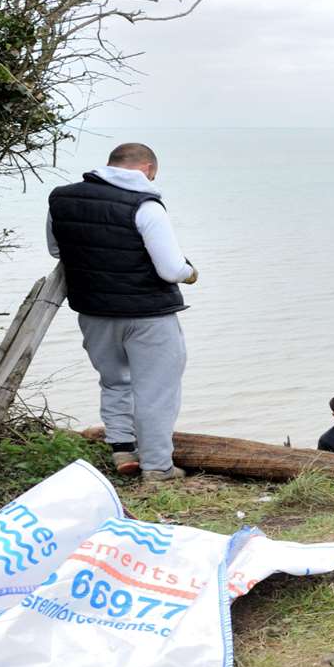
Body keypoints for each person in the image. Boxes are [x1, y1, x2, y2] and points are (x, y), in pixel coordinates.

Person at [47, 142, 196, 482]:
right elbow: (171, 269)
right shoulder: (146, 206)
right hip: (148, 315)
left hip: (94, 311)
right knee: (156, 391)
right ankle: (158, 467)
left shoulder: (62, 199)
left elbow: (57, 249)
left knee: (115, 382)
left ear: (110, 164)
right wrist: (191, 272)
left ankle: (123, 450)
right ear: (148, 169)